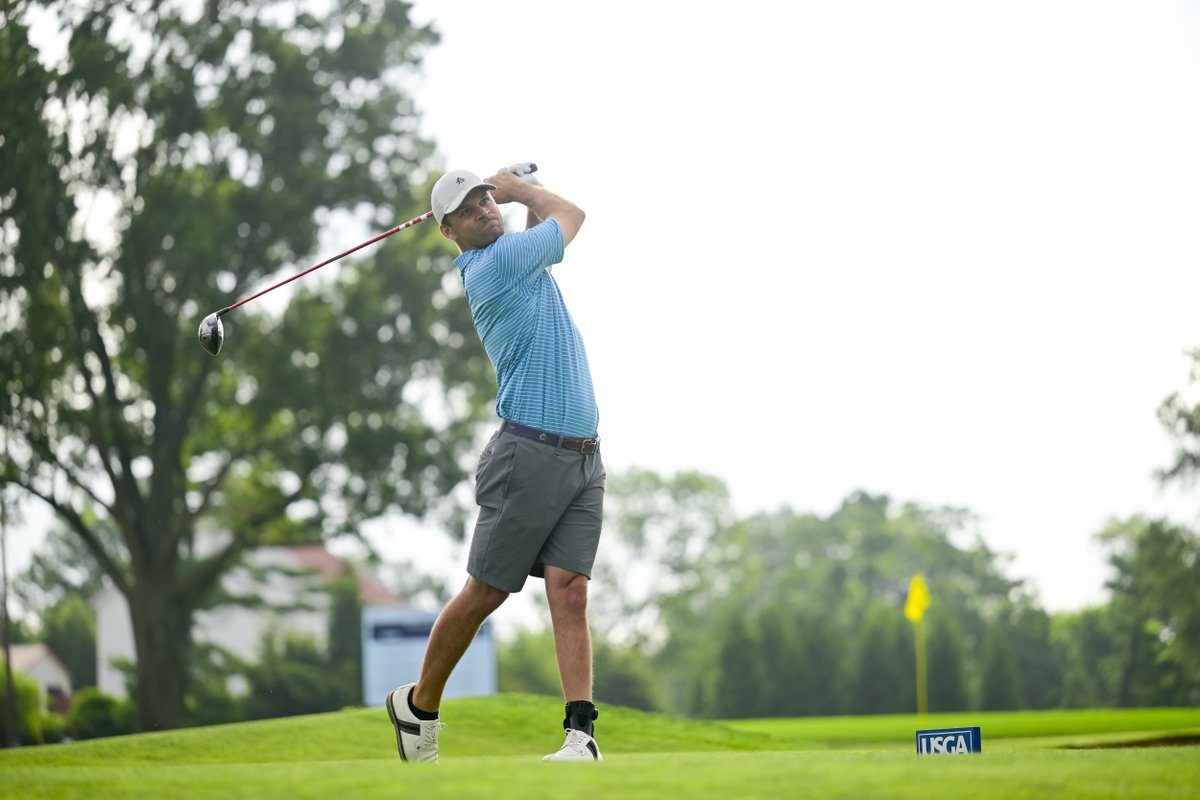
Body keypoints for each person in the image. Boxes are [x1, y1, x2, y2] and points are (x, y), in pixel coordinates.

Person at [386, 165, 605, 763]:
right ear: (449, 231)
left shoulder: (515, 255)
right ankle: (420, 705)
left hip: (584, 456)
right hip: (528, 453)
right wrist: (519, 188)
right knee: (486, 591)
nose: (485, 206)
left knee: (571, 591)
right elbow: (572, 218)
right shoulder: (490, 266)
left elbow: (545, 243)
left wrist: (515, 198)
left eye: (485, 196)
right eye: (470, 206)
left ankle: (581, 737)